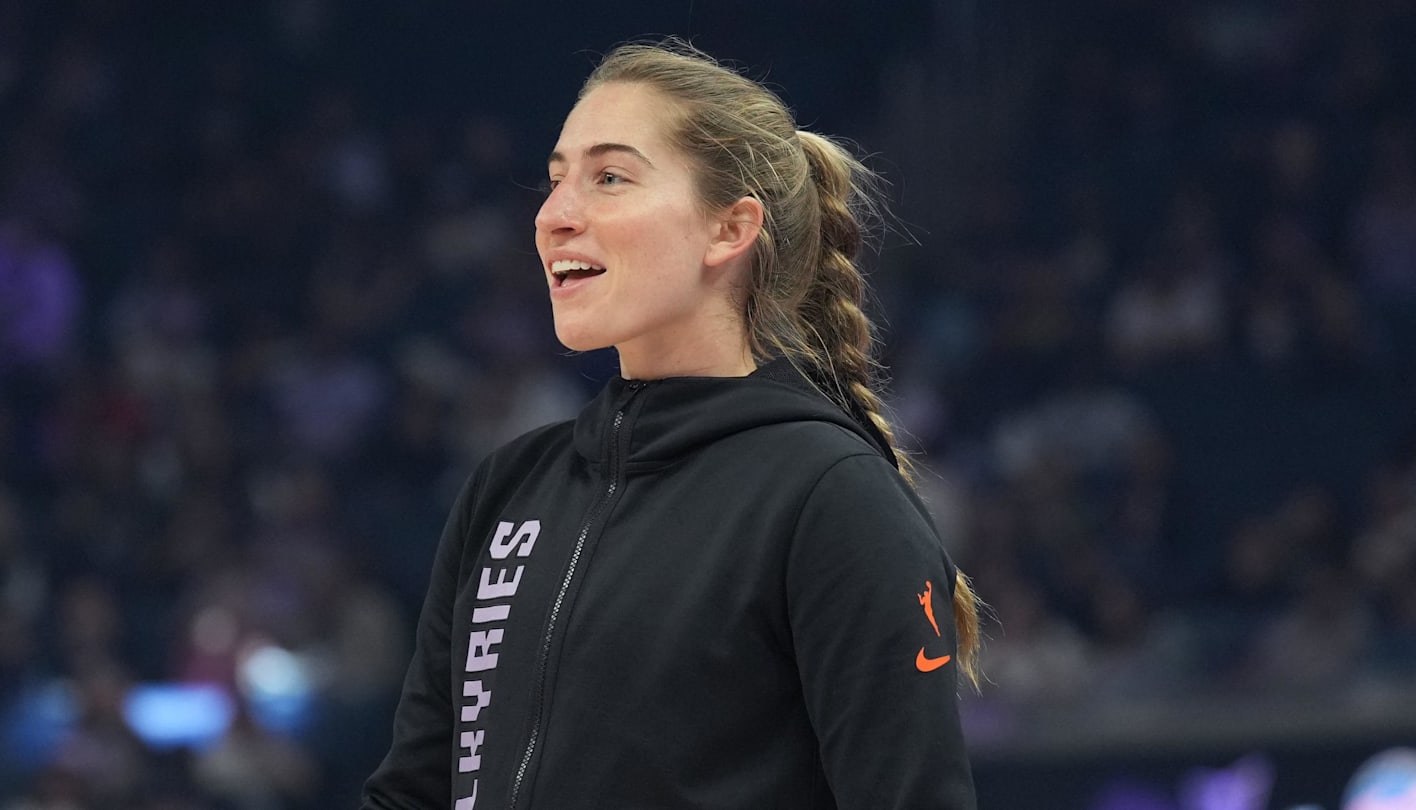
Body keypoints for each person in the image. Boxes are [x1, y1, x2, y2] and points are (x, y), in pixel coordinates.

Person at [361, 39, 982, 810]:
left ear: (730, 229)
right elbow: (414, 795)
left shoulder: (830, 497)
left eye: (609, 178)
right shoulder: (508, 489)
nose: (554, 216)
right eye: (556, 182)